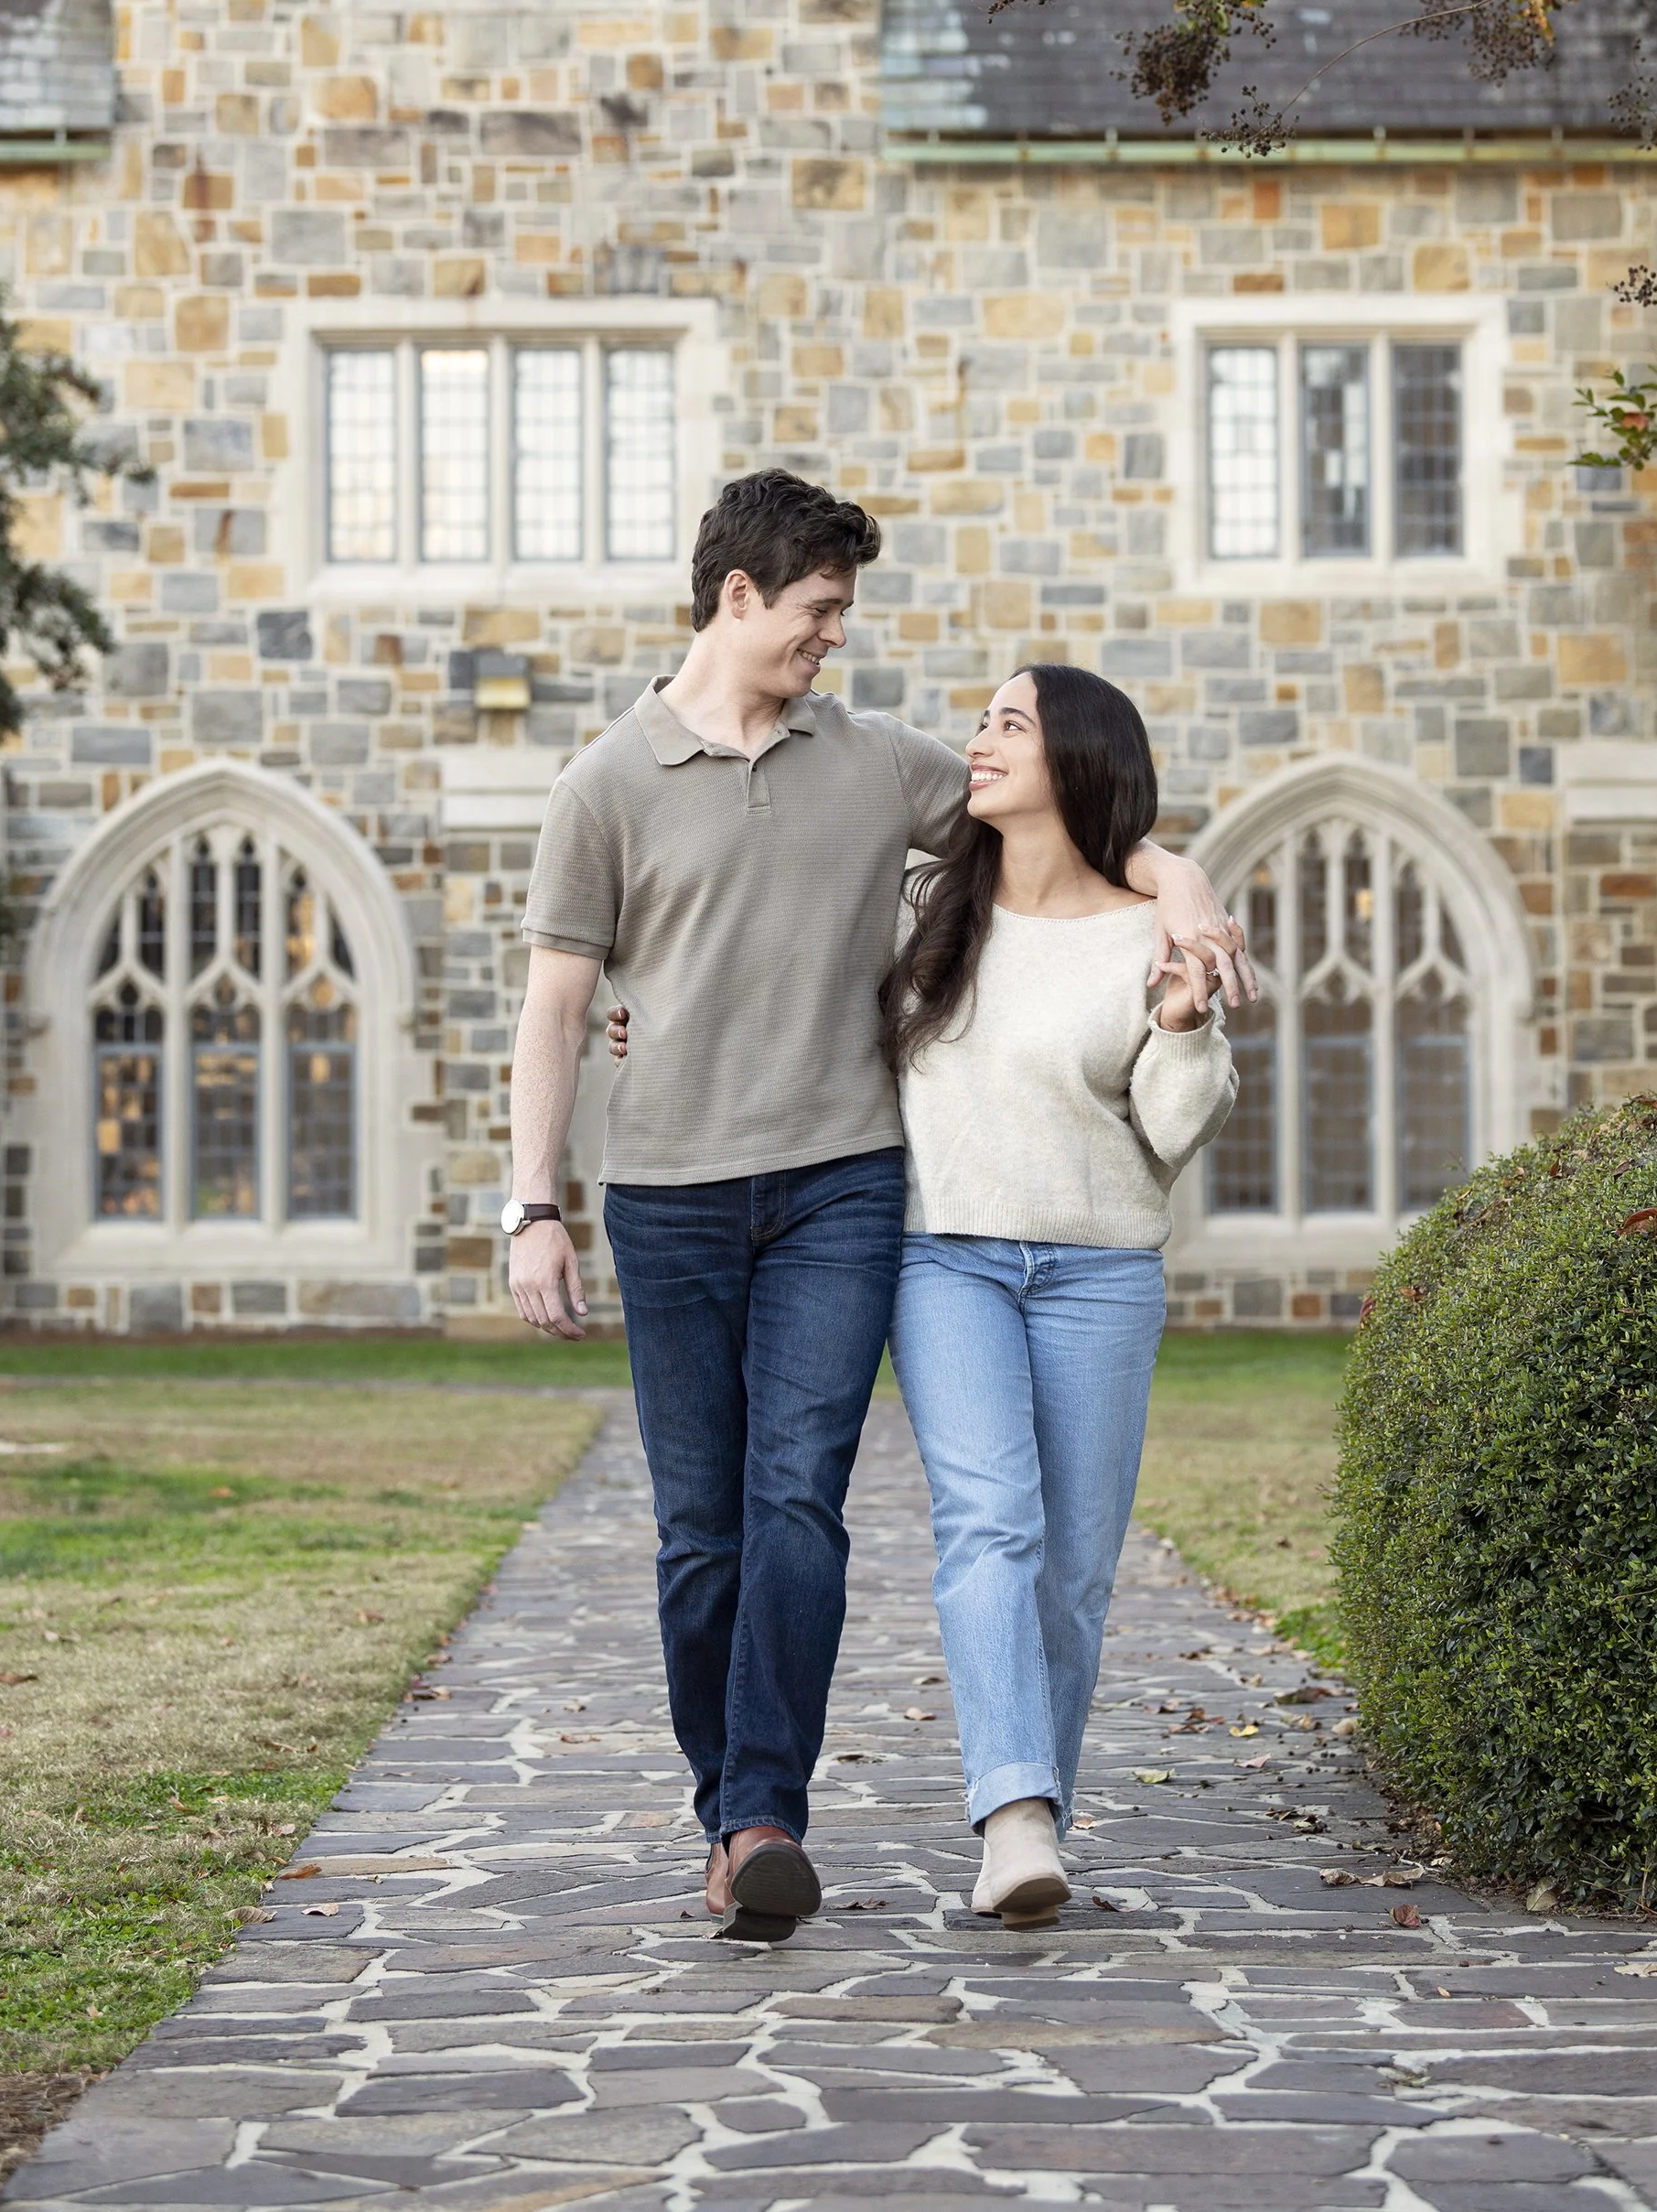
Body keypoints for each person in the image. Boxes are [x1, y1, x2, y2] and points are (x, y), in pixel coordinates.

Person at [505, 471, 1252, 1943]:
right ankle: (728, 1804)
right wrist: (536, 1204)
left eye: (839, 614)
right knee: (699, 1531)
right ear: (737, 599)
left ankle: (769, 1813)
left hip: (849, 1186)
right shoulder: (601, 785)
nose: (834, 639)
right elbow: (555, 1009)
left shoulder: (876, 761)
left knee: (800, 1502)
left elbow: (1073, 822)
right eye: (819, 611)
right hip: (667, 1196)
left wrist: (1183, 885)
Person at [881, 664, 1237, 1926]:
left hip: (1100, 1273)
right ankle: (1013, 1816)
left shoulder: (1147, 933)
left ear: (1075, 761)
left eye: (1008, 724)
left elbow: (1174, 1130)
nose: (976, 740)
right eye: (980, 718)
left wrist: (1186, 1023)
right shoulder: (923, 904)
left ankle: (1038, 1819)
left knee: (1075, 1573)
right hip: (947, 1261)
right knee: (991, 1524)